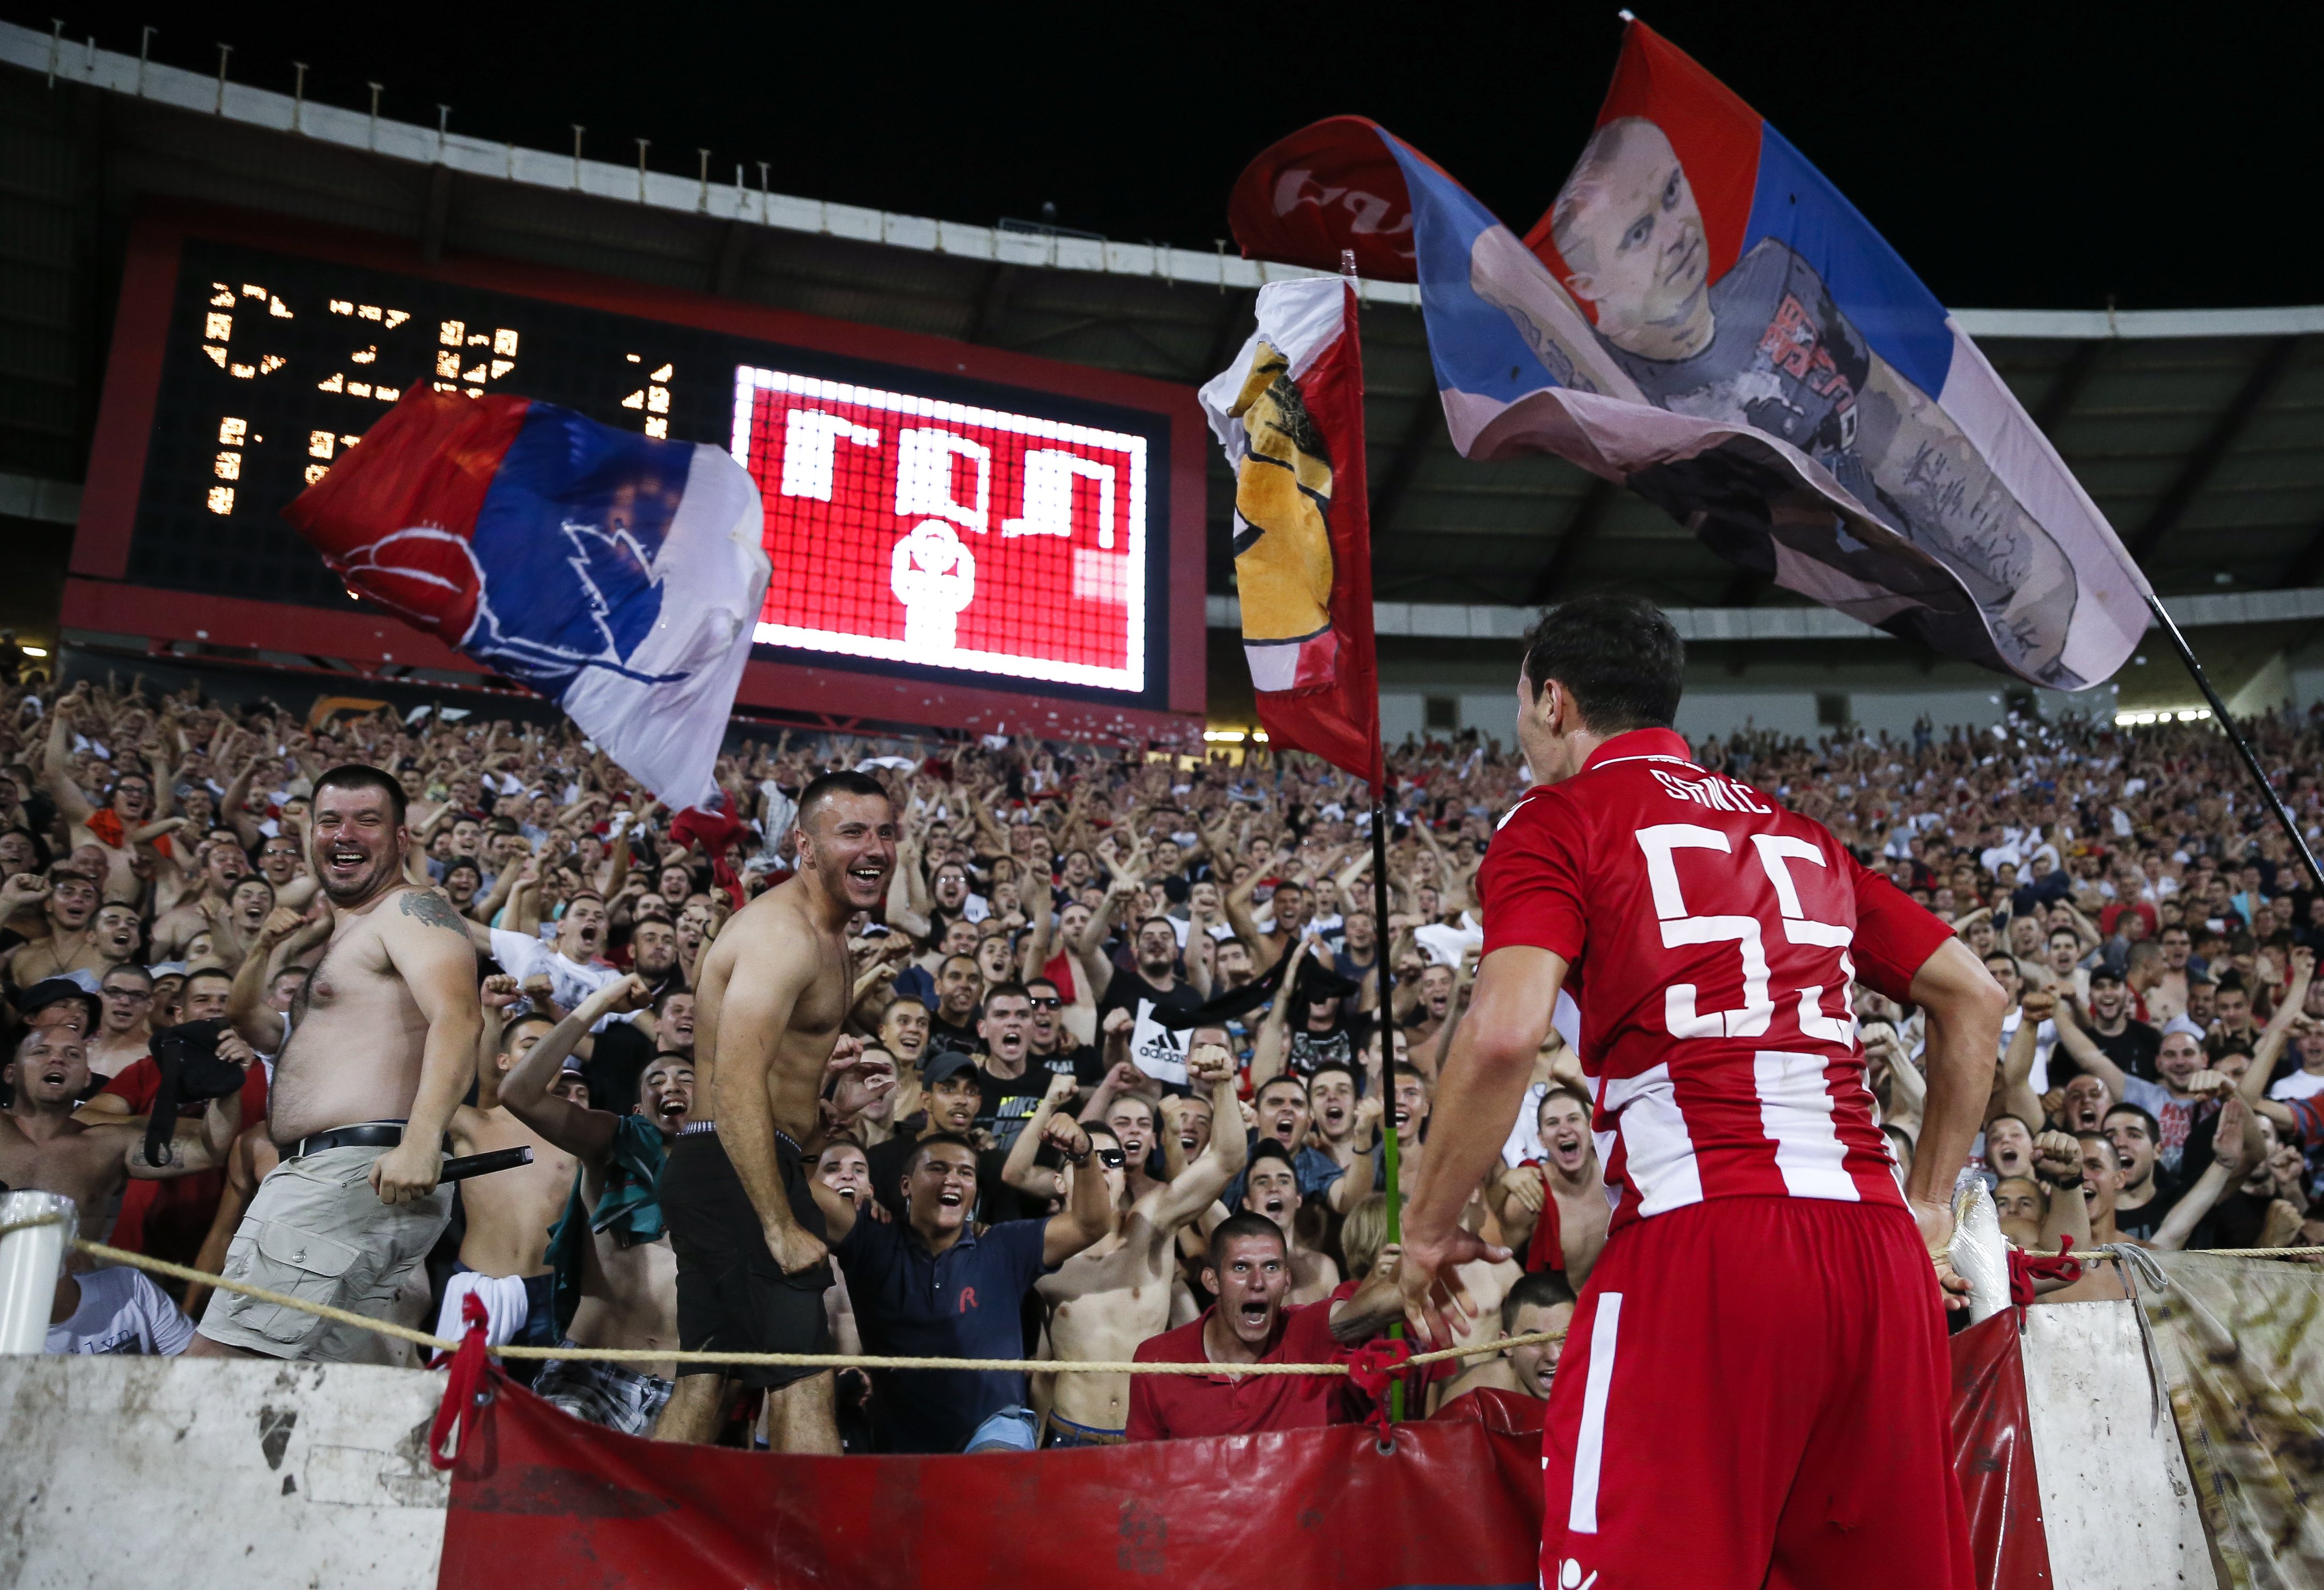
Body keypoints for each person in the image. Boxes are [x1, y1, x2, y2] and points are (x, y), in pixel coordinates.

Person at [1391, 596, 2000, 1590]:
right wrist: (1927, 1203)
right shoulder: (1800, 833)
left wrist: (1424, 1229)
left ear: (1552, 701)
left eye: (1519, 702)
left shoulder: (1556, 818)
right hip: (1878, 1257)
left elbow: (1502, 1035)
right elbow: (1973, 997)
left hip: (1705, 1240)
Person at [1539, 121, 2078, 683]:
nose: (1674, 232)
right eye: (1638, 233)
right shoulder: (1617, 398)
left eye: (1673, 191)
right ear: (1585, 285)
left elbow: (1903, 430)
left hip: (1948, 593)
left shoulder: (1776, 282)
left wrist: (2030, 566)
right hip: (1836, 603)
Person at [189, 765, 484, 1363]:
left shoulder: (409, 910)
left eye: (366, 821)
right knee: (319, 1402)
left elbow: (459, 1018)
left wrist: (422, 1141)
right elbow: (250, 1021)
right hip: (351, 1182)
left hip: (347, 1178)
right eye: (329, 821)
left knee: (216, 1379)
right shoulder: (352, 931)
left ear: (401, 838)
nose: (344, 834)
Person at [655, 770, 898, 1452]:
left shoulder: (830, 935)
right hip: (735, 1170)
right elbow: (734, 1083)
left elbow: (768, 1088)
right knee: (805, 1379)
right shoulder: (782, 934)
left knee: (708, 1380)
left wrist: (829, 1114)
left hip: (736, 1163)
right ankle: (813, 1525)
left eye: (885, 833)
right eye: (852, 832)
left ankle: (642, 1514)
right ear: (805, 845)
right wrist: (777, 1223)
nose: (874, 849)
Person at [821, 1120, 1111, 1452]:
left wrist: (1083, 1157)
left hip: (994, 1426)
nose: (953, 1179)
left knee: (990, 1475)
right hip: (901, 1442)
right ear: (905, 1185)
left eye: (966, 1173)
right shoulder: (871, 1239)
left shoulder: (1005, 1246)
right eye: (937, 1168)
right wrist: (819, 1132)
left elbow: (1091, 1225)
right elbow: (797, 1192)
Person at [500, 974, 692, 1437]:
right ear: (638, 1108)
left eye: (686, 1078)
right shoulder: (612, 1140)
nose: (671, 1085)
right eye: (656, 1079)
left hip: (687, 1393)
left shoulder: (734, 1169)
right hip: (590, 1377)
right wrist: (601, 1003)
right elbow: (517, 1094)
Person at [1027, 1043, 1245, 1445]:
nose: (1100, 1168)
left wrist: (1224, 1083)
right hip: (1069, 1437)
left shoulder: (1151, 1225)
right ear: (1060, 1182)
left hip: (1145, 1438)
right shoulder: (1038, 1254)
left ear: (1124, 1175)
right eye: (1085, 1157)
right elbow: (1043, 1372)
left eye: (1112, 1160)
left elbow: (1227, 1160)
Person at [1124, 1211, 1396, 1441]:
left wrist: (1413, 1266)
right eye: (1241, 1268)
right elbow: (1143, 1470)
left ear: (1287, 1281)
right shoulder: (1157, 1360)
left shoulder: (1305, 1333)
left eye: (1271, 1267)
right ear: (1212, 1281)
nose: (1258, 1282)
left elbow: (1380, 1307)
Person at [429, 976, 579, 1364]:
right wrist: (490, 1012)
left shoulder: (581, 1133)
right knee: (464, 1400)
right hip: (480, 1287)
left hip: (556, 1292)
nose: (542, 1056)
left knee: (550, 1400)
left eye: (551, 1049)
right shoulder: (472, 1124)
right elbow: (454, 1077)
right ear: (503, 1060)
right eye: (530, 1046)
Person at [0, 1024, 243, 1245]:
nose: (57, 1059)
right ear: (11, 1073)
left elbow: (208, 1151)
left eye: (73, 1055)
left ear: (86, 1078)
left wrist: (227, 1083)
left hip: (74, 1278)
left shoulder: (109, 1144)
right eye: (41, 1052)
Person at [1430, 1269, 1576, 1414]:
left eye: (1564, 1338)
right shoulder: (1472, 1397)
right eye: (1535, 1340)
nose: (1553, 1356)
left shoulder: (1591, 1387)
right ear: (1508, 1345)